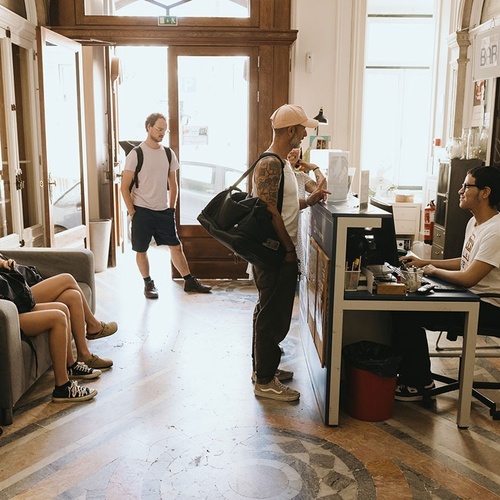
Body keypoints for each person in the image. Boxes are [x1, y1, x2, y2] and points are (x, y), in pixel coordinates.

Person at [393, 165, 500, 401]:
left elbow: (469, 277)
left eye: (466, 186)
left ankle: (418, 383)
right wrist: (424, 262)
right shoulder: (474, 223)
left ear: (485, 192)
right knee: (406, 306)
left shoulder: (496, 231)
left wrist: (433, 269)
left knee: (408, 313)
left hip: (488, 307)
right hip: (469, 297)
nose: (460, 191)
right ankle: (417, 376)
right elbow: (464, 264)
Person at [252, 104, 329, 402]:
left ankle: (264, 370)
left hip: (276, 249)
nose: (305, 134)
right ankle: (265, 380)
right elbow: (269, 212)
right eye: (302, 129)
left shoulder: (282, 163)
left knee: (268, 310)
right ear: (290, 130)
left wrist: (308, 200)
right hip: (273, 251)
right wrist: (288, 249)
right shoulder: (271, 163)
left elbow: (282, 206)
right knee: (272, 315)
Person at [120, 112, 212, 299]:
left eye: (165, 130)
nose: (162, 133)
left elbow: (173, 184)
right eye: (159, 129)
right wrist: (133, 212)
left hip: (163, 211)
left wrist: (171, 208)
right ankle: (148, 283)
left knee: (176, 247)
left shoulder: (169, 154)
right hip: (142, 211)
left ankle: (189, 281)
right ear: (149, 127)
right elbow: (123, 187)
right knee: (141, 249)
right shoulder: (135, 154)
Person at [0, 256, 117, 371]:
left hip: (15, 289)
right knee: (67, 279)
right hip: (12, 299)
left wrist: (4, 263)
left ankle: (84, 354)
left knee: (73, 296)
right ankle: (93, 326)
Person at [287, 147, 326, 275]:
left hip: (294, 231)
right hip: (280, 232)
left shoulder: (301, 177)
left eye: (296, 148)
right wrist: (308, 201)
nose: (293, 151)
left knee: (289, 278)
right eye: (290, 148)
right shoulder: (279, 174)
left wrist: (314, 167)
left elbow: (322, 190)